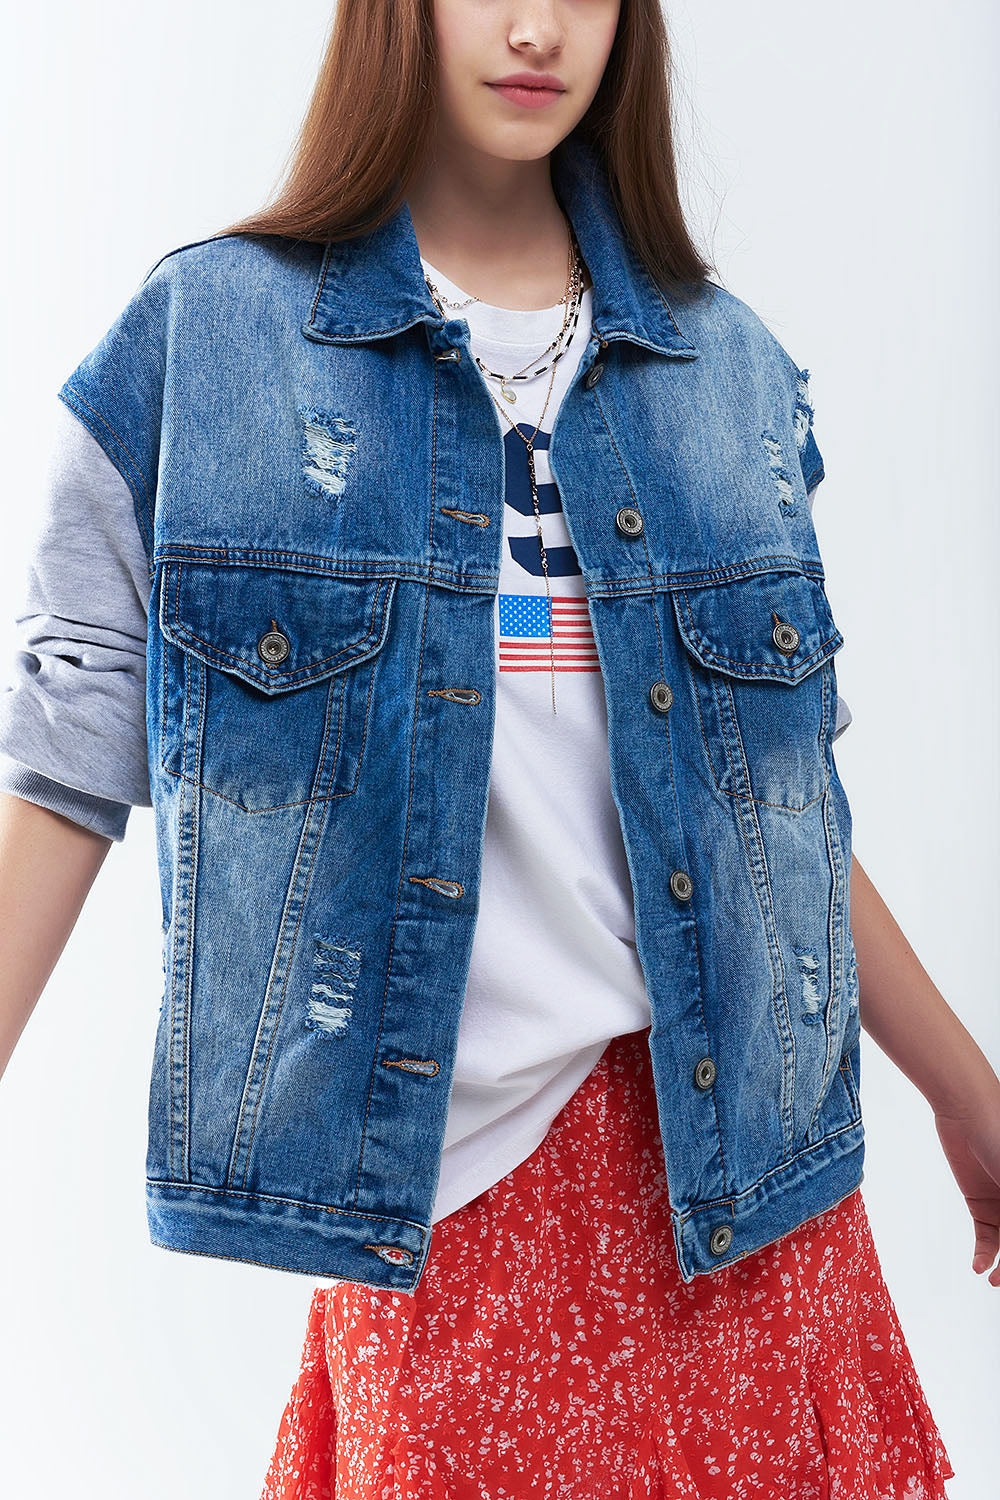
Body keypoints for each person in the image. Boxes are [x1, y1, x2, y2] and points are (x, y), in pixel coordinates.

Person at [0, 1, 995, 1495]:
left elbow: (774, 819)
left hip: (747, 1213)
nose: (537, 29)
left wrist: (969, 1097)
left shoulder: (730, 373)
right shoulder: (204, 346)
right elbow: (64, 763)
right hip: (439, 1215)